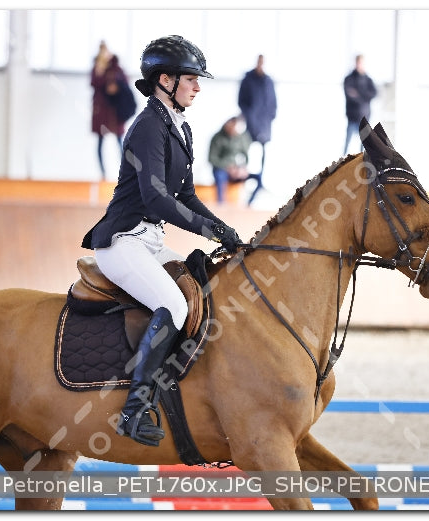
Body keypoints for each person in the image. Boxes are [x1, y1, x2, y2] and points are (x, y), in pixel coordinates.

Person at [82, 35, 242, 447]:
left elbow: (185, 196)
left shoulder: (180, 127)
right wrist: (208, 231)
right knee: (172, 303)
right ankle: (133, 411)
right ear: (166, 80)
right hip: (123, 242)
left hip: (150, 240)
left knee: (201, 283)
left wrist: (222, 228)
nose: (198, 86)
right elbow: (155, 197)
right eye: (191, 79)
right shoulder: (148, 126)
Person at [91, 40, 134, 180]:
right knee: (100, 143)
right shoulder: (97, 68)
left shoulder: (117, 69)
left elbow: (124, 84)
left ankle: (124, 174)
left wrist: (116, 87)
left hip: (115, 113)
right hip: (101, 112)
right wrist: (100, 70)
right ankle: (103, 174)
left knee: (119, 143)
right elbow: (94, 82)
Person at [237, 54, 277, 205]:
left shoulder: (268, 80)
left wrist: (271, 115)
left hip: (265, 123)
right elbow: (241, 100)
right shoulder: (248, 79)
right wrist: (249, 115)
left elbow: (273, 101)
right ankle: (246, 180)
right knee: (246, 151)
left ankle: (261, 182)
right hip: (251, 122)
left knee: (264, 153)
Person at [208, 116, 258, 204]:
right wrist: (228, 168)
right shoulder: (217, 137)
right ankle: (221, 205)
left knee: (258, 178)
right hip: (222, 169)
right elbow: (211, 159)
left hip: (236, 170)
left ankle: (249, 204)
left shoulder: (241, 137)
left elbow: (245, 156)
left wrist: (242, 169)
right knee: (220, 177)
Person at [343, 54, 378, 155]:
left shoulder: (368, 79)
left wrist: (358, 94)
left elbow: (374, 93)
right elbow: (349, 95)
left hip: (364, 117)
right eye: (358, 62)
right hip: (352, 116)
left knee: (364, 145)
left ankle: (361, 165)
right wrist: (364, 97)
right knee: (347, 143)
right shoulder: (349, 78)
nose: (359, 65)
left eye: (361, 63)